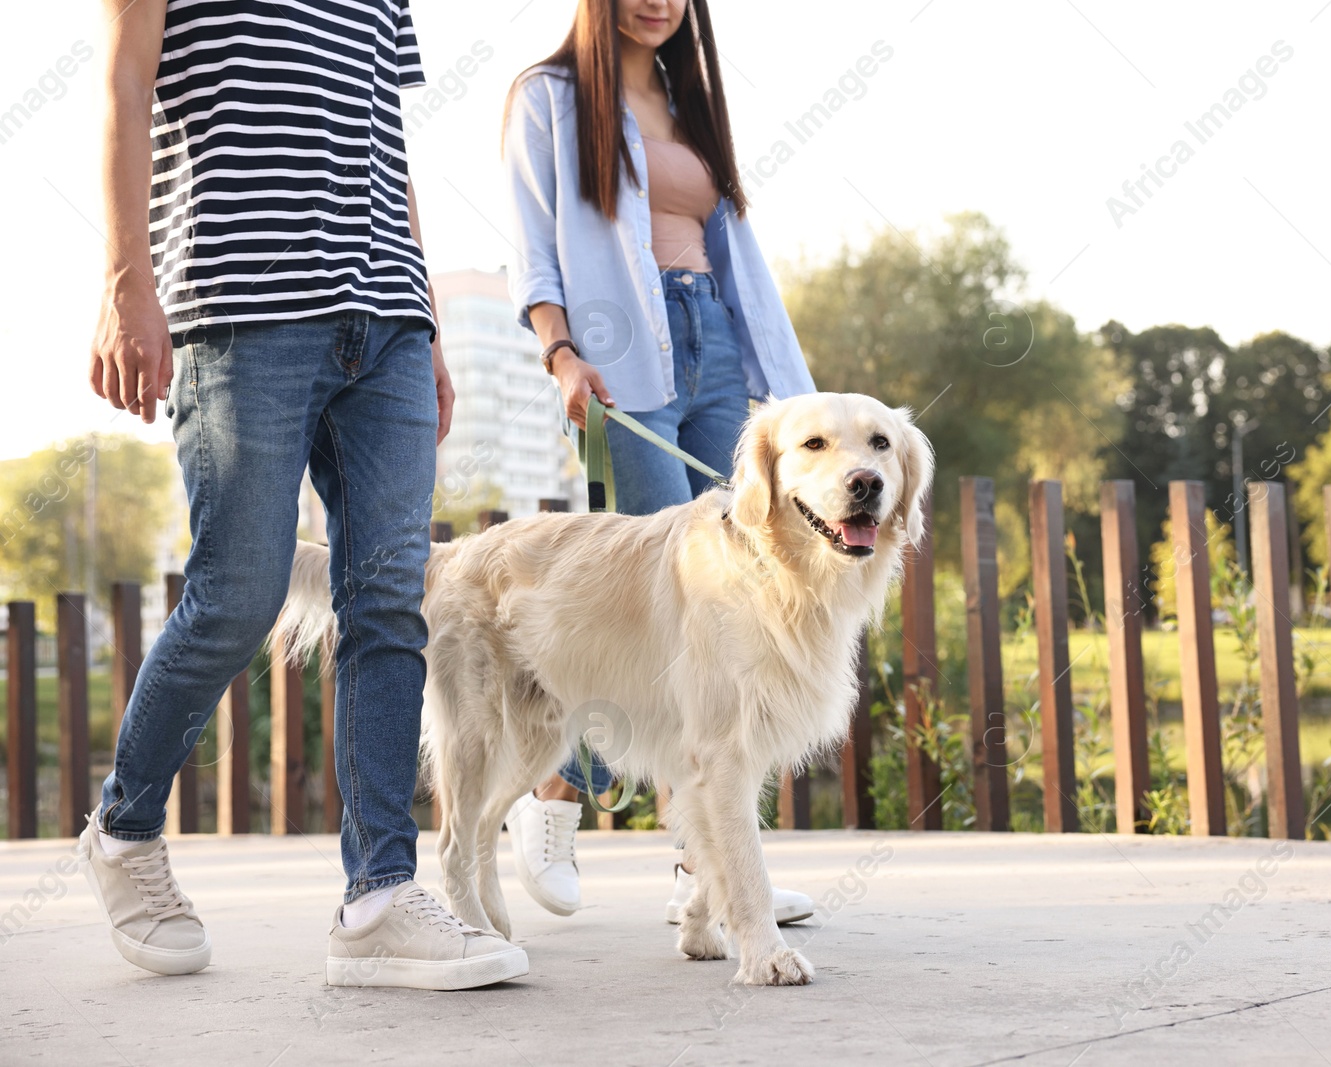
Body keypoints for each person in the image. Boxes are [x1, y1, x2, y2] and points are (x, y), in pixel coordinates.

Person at [82, 0, 526, 989]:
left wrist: (429, 321)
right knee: (237, 595)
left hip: (390, 319)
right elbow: (122, 81)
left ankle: (376, 898)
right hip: (241, 304)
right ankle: (124, 825)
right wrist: (125, 281)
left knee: (388, 604)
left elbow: (382, 131)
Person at [503, 0, 815, 924]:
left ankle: (705, 865)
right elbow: (532, 243)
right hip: (623, 360)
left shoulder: (691, 102)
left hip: (717, 352)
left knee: (729, 618)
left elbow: (730, 253)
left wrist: (778, 387)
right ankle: (556, 794)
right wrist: (560, 352)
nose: (657, 1)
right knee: (656, 605)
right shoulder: (550, 96)